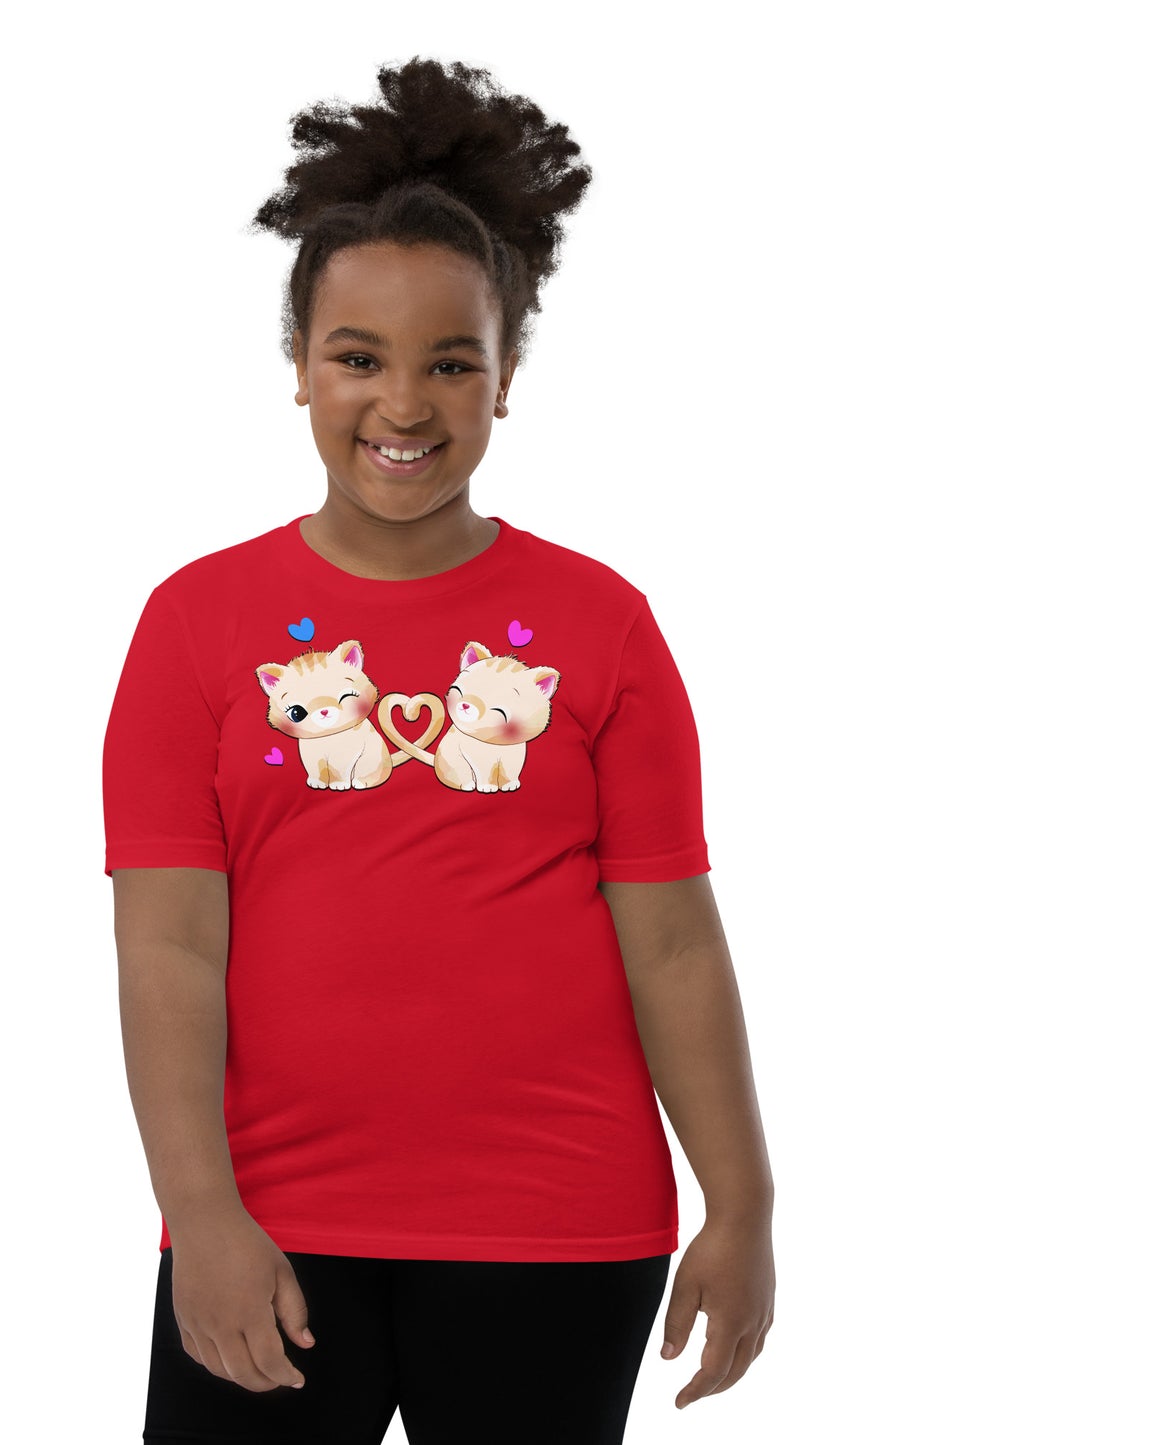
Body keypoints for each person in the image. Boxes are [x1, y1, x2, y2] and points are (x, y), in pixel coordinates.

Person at [102, 56, 775, 1445]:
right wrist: (200, 1211)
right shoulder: (194, 623)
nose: (402, 405)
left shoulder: (603, 625)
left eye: (450, 363)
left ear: (504, 377)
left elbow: (672, 943)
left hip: (558, 1223)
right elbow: (167, 943)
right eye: (358, 357)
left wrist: (742, 1201)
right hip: (273, 1222)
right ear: (299, 366)